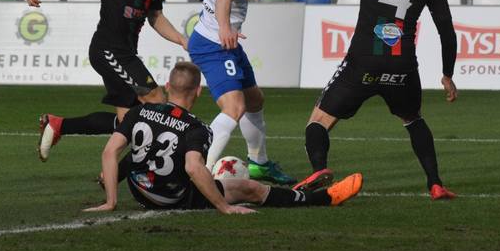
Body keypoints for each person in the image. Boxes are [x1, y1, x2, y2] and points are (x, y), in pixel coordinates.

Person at [259, 0, 458, 201]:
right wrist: (447, 74)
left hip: (364, 58)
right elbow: (446, 30)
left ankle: (319, 168)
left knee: (319, 120)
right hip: (401, 64)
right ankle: (435, 183)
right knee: (413, 119)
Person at [84, 62, 363, 214]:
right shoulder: (197, 128)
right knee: (250, 187)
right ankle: (323, 199)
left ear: (167, 87)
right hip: (173, 198)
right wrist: (224, 206)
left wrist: (110, 201)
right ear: (198, 92)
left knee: (142, 147)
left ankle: (110, 192)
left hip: (140, 192)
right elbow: (194, 168)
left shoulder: (139, 111)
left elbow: (110, 152)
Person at [27, 0, 187, 164]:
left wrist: (181, 39)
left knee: (128, 124)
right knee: (156, 100)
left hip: (126, 52)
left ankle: (58, 125)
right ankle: (142, 170)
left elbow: (155, 16)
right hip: (108, 49)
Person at [187, 0, 298, 185]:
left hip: (226, 41)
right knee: (234, 107)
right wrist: (225, 28)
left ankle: (259, 163)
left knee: (254, 100)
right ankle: (199, 171)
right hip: (214, 42)